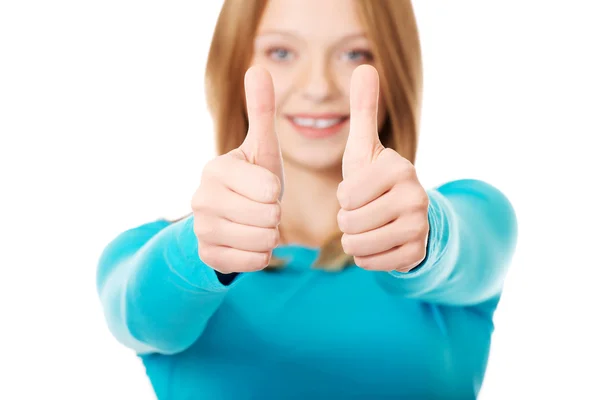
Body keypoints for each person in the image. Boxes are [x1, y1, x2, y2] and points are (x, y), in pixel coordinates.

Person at [96, 0, 518, 398]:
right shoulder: (146, 255)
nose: (318, 87)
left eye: (355, 54)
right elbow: (139, 310)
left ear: (396, 68)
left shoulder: (474, 216)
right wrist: (201, 249)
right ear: (233, 66)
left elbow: (467, 247)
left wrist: (424, 237)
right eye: (281, 52)